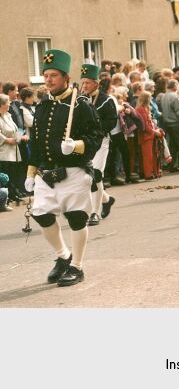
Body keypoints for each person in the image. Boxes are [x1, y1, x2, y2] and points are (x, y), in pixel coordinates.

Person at [24, 49, 101, 287]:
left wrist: (77, 145)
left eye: (53, 75)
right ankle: (63, 256)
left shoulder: (80, 105)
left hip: (74, 171)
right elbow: (36, 143)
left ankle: (77, 267)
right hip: (47, 173)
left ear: (66, 77)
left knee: (76, 218)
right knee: (41, 214)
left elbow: (96, 137)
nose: (48, 80)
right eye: (46, 75)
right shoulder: (43, 106)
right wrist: (31, 171)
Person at [81, 64, 118, 226]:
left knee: (96, 174)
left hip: (100, 142)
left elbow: (111, 122)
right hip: (85, 143)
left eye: (87, 83)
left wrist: (96, 130)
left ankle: (94, 212)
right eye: (83, 82)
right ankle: (107, 199)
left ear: (96, 83)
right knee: (88, 177)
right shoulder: (80, 100)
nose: (84, 86)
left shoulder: (106, 100)